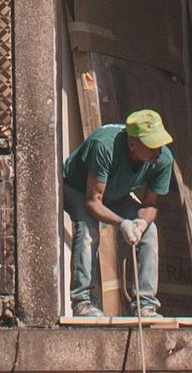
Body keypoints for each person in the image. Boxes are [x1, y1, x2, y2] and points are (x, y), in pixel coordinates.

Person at [62, 110, 174, 318]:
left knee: (150, 232)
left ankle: (145, 304)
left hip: (117, 193)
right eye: (152, 145)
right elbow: (93, 202)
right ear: (133, 144)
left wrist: (140, 223)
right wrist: (123, 223)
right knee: (88, 229)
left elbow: (150, 205)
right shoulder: (104, 146)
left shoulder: (163, 159)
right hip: (78, 188)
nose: (157, 150)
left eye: (160, 143)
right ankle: (83, 301)